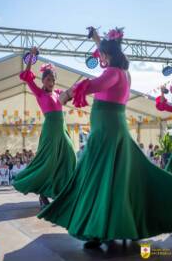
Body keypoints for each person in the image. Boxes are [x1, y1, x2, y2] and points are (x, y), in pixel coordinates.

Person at [38, 27, 172, 248]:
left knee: (100, 177)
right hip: (110, 129)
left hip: (107, 132)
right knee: (112, 179)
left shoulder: (113, 73)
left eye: (103, 54)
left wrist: (67, 93)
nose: (100, 57)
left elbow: (93, 85)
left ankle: (99, 229)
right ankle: (105, 228)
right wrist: (97, 38)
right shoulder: (122, 72)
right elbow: (104, 52)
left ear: (109, 55)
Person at [13, 47, 76, 207]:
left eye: (53, 80)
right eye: (48, 80)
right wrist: (32, 56)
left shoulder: (58, 93)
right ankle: (42, 194)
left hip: (62, 128)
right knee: (47, 162)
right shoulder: (40, 93)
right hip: (50, 130)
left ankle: (63, 191)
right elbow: (26, 77)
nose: (51, 82)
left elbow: (70, 94)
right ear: (43, 80)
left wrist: (80, 89)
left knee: (70, 156)